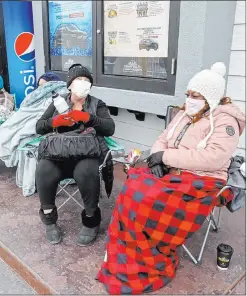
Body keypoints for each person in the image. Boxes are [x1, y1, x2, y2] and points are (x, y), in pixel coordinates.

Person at [98, 62, 246, 294]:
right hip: (174, 169)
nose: (189, 99)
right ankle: (127, 250)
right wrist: (157, 157)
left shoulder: (226, 121)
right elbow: (163, 138)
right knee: (133, 187)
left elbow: (212, 159)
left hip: (203, 179)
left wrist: (165, 157)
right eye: (188, 94)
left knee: (146, 198)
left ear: (210, 97)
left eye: (195, 95)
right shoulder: (184, 114)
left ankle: (149, 257)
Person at [35, 64, 115, 246]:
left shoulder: (96, 104)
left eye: (87, 81)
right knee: (44, 169)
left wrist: (88, 118)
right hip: (58, 154)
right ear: (70, 84)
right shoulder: (58, 102)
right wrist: (54, 121)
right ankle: (49, 220)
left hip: (86, 155)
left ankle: (90, 221)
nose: (83, 83)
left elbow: (109, 128)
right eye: (80, 80)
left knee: (87, 170)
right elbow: (39, 127)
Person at [0, 71, 64, 197]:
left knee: (28, 145)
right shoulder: (36, 97)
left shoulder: (59, 98)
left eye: (45, 85)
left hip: (50, 132)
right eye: (39, 85)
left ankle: (33, 182)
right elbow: (26, 111)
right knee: (22, 141)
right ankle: (28, 181)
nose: (41, 88)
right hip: (37, 129)